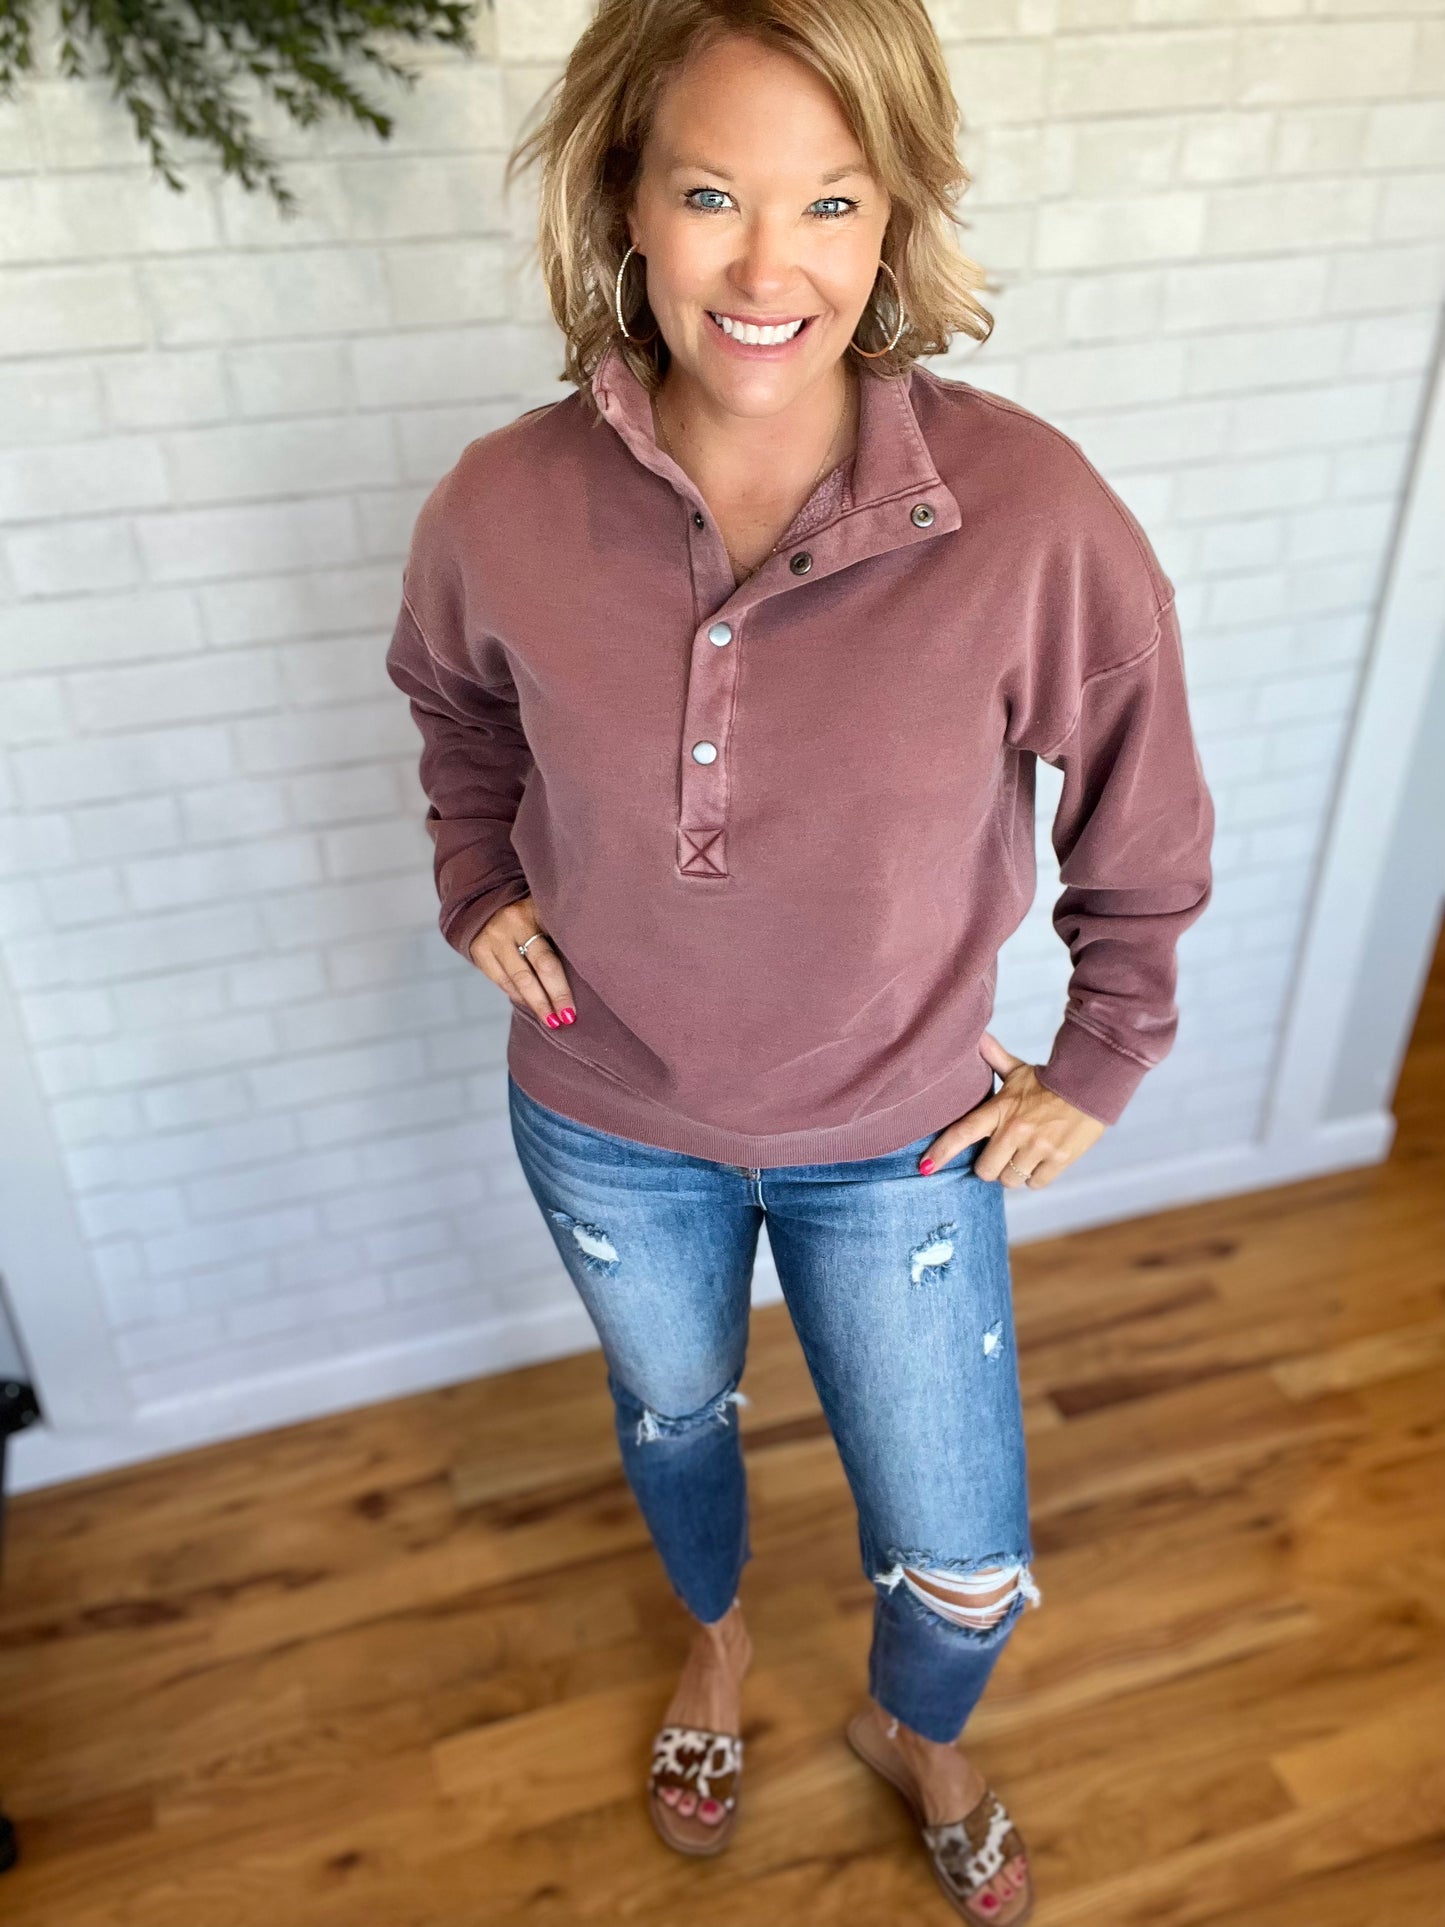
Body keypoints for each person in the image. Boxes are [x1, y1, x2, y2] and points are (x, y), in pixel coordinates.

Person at [386, 1, 1214, 1917]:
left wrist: (1104, 1053)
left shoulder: (1028, 514)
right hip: (606, 1118)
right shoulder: (501, 504)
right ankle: (718, 1644)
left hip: (900, 1140)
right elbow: (453, 708)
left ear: (894, 216)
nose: (769, 270)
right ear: (623, 203)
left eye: (831, 202)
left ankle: (915, 1726)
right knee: (673, 1416)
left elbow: (1142, 806)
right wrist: (475, 878)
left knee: (960, 1555)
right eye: (711, 197)